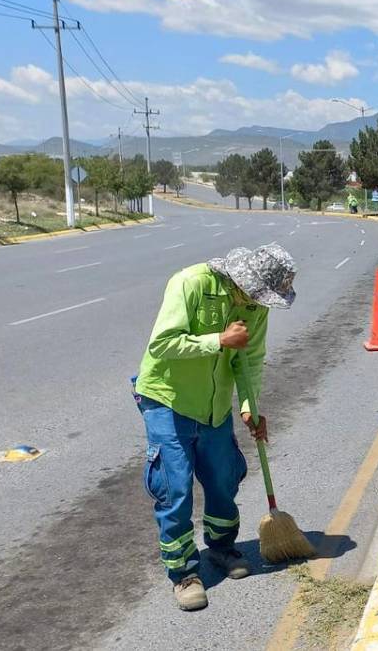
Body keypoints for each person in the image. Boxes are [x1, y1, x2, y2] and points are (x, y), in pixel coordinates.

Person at [132, 243, 297, 611]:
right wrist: (219, 340)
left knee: (223, 479)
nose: (259, 303)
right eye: (257, 294)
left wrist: (250, 406)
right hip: (167, 400)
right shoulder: (191, 283)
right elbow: (161, 345)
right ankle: (184, 573)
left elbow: (250, 358)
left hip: (215, 407)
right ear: (243, 279)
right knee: (174, 488)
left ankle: (221, 548)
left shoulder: (254, 306)